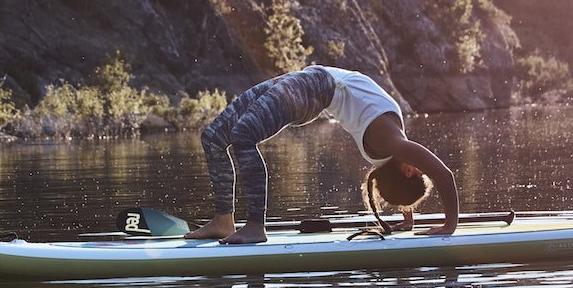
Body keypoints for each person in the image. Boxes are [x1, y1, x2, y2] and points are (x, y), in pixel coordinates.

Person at [186, 64, 459, 244]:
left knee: (243, 136)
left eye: (417, 171)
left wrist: (449, 226)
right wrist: (407, 219)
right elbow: (417, 175)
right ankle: (223, 221)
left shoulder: (392, 143)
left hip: (313, 88)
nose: (420, 166)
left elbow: (444, 175)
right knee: (213, 138)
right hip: (304, 81)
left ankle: (255, 226)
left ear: (408, 170)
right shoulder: (391, 149)